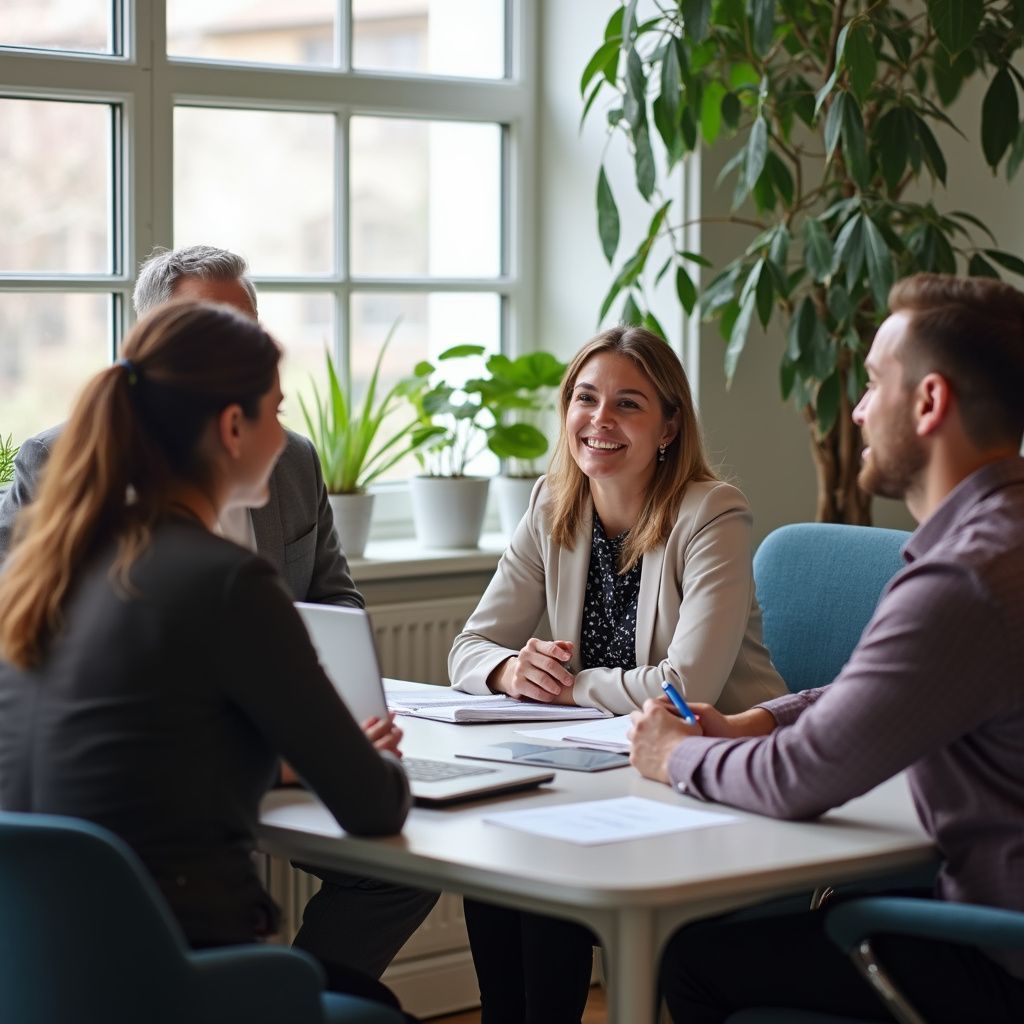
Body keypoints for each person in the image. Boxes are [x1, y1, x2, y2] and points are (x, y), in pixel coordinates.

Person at [0, 244, 438, 986]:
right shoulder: (223, 579)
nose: (285, 431)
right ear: (233, 427)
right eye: (276, 409)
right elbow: (376, 804)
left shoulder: (62, 564)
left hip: (45, 978)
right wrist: (360, 755)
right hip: (180, 979)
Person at [628, 273, 1024, 1023]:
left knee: (694, 959)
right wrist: (763, 718)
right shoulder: (999, 541)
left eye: (875, 384)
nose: (859, 410)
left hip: (1001, 963)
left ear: (931, 402)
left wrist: (669, 755)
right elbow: (891, 688)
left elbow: (799, 781)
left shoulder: (963, 578)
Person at [448, 325, 786, 1024]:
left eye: (628, 405)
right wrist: (512, 668)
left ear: (668, 426)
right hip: (593, 767)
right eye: (585, 397)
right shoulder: (552, 504)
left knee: (548, 865)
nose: (599, 421)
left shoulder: (711, 513)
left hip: (710, 768)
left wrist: (564, 685)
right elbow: (469, 649)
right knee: (494, 862)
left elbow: (683, 685)